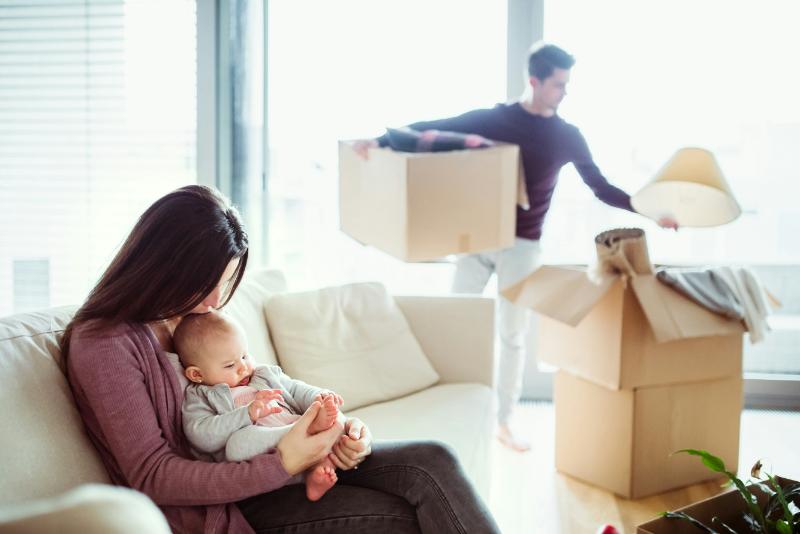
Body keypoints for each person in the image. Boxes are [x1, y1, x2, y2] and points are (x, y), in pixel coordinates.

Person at [63, 185, 500, 533]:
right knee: (400, 515)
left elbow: (274, 386)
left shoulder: (195, 317)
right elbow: (154, 475)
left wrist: (345, 435)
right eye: (203, 281)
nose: (216, 299)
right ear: (162, 266)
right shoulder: (104, 345)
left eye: (227, 280)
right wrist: (285, 461)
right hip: (228, 503)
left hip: (287, 461)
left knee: (433, 460)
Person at [353, 42, 678, 452]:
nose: (564, 93)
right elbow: (428, 128)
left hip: (522, 246)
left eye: (567, 85)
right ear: (534, 81)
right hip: (476, 238)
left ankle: (503, 422)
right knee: (455, 320)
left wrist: (651, 212)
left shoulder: (566, 135)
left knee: (512, 334)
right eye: (559, 85)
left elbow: (601, 187)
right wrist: (378, 140)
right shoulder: (496, 119)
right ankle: (451, 410)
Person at [175, 310, 344, 502]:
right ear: (197, 375)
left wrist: (319, 395)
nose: (244, 367)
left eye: (245, 356)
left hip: (298, 439)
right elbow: (201, 435)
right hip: (261, 455)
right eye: (230, 365)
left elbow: (296, 389)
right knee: (237, 445)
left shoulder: (262, 374)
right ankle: (307, 435)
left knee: (338, 422)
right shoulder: (200, 395)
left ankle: (316, 473)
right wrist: (246, 414)